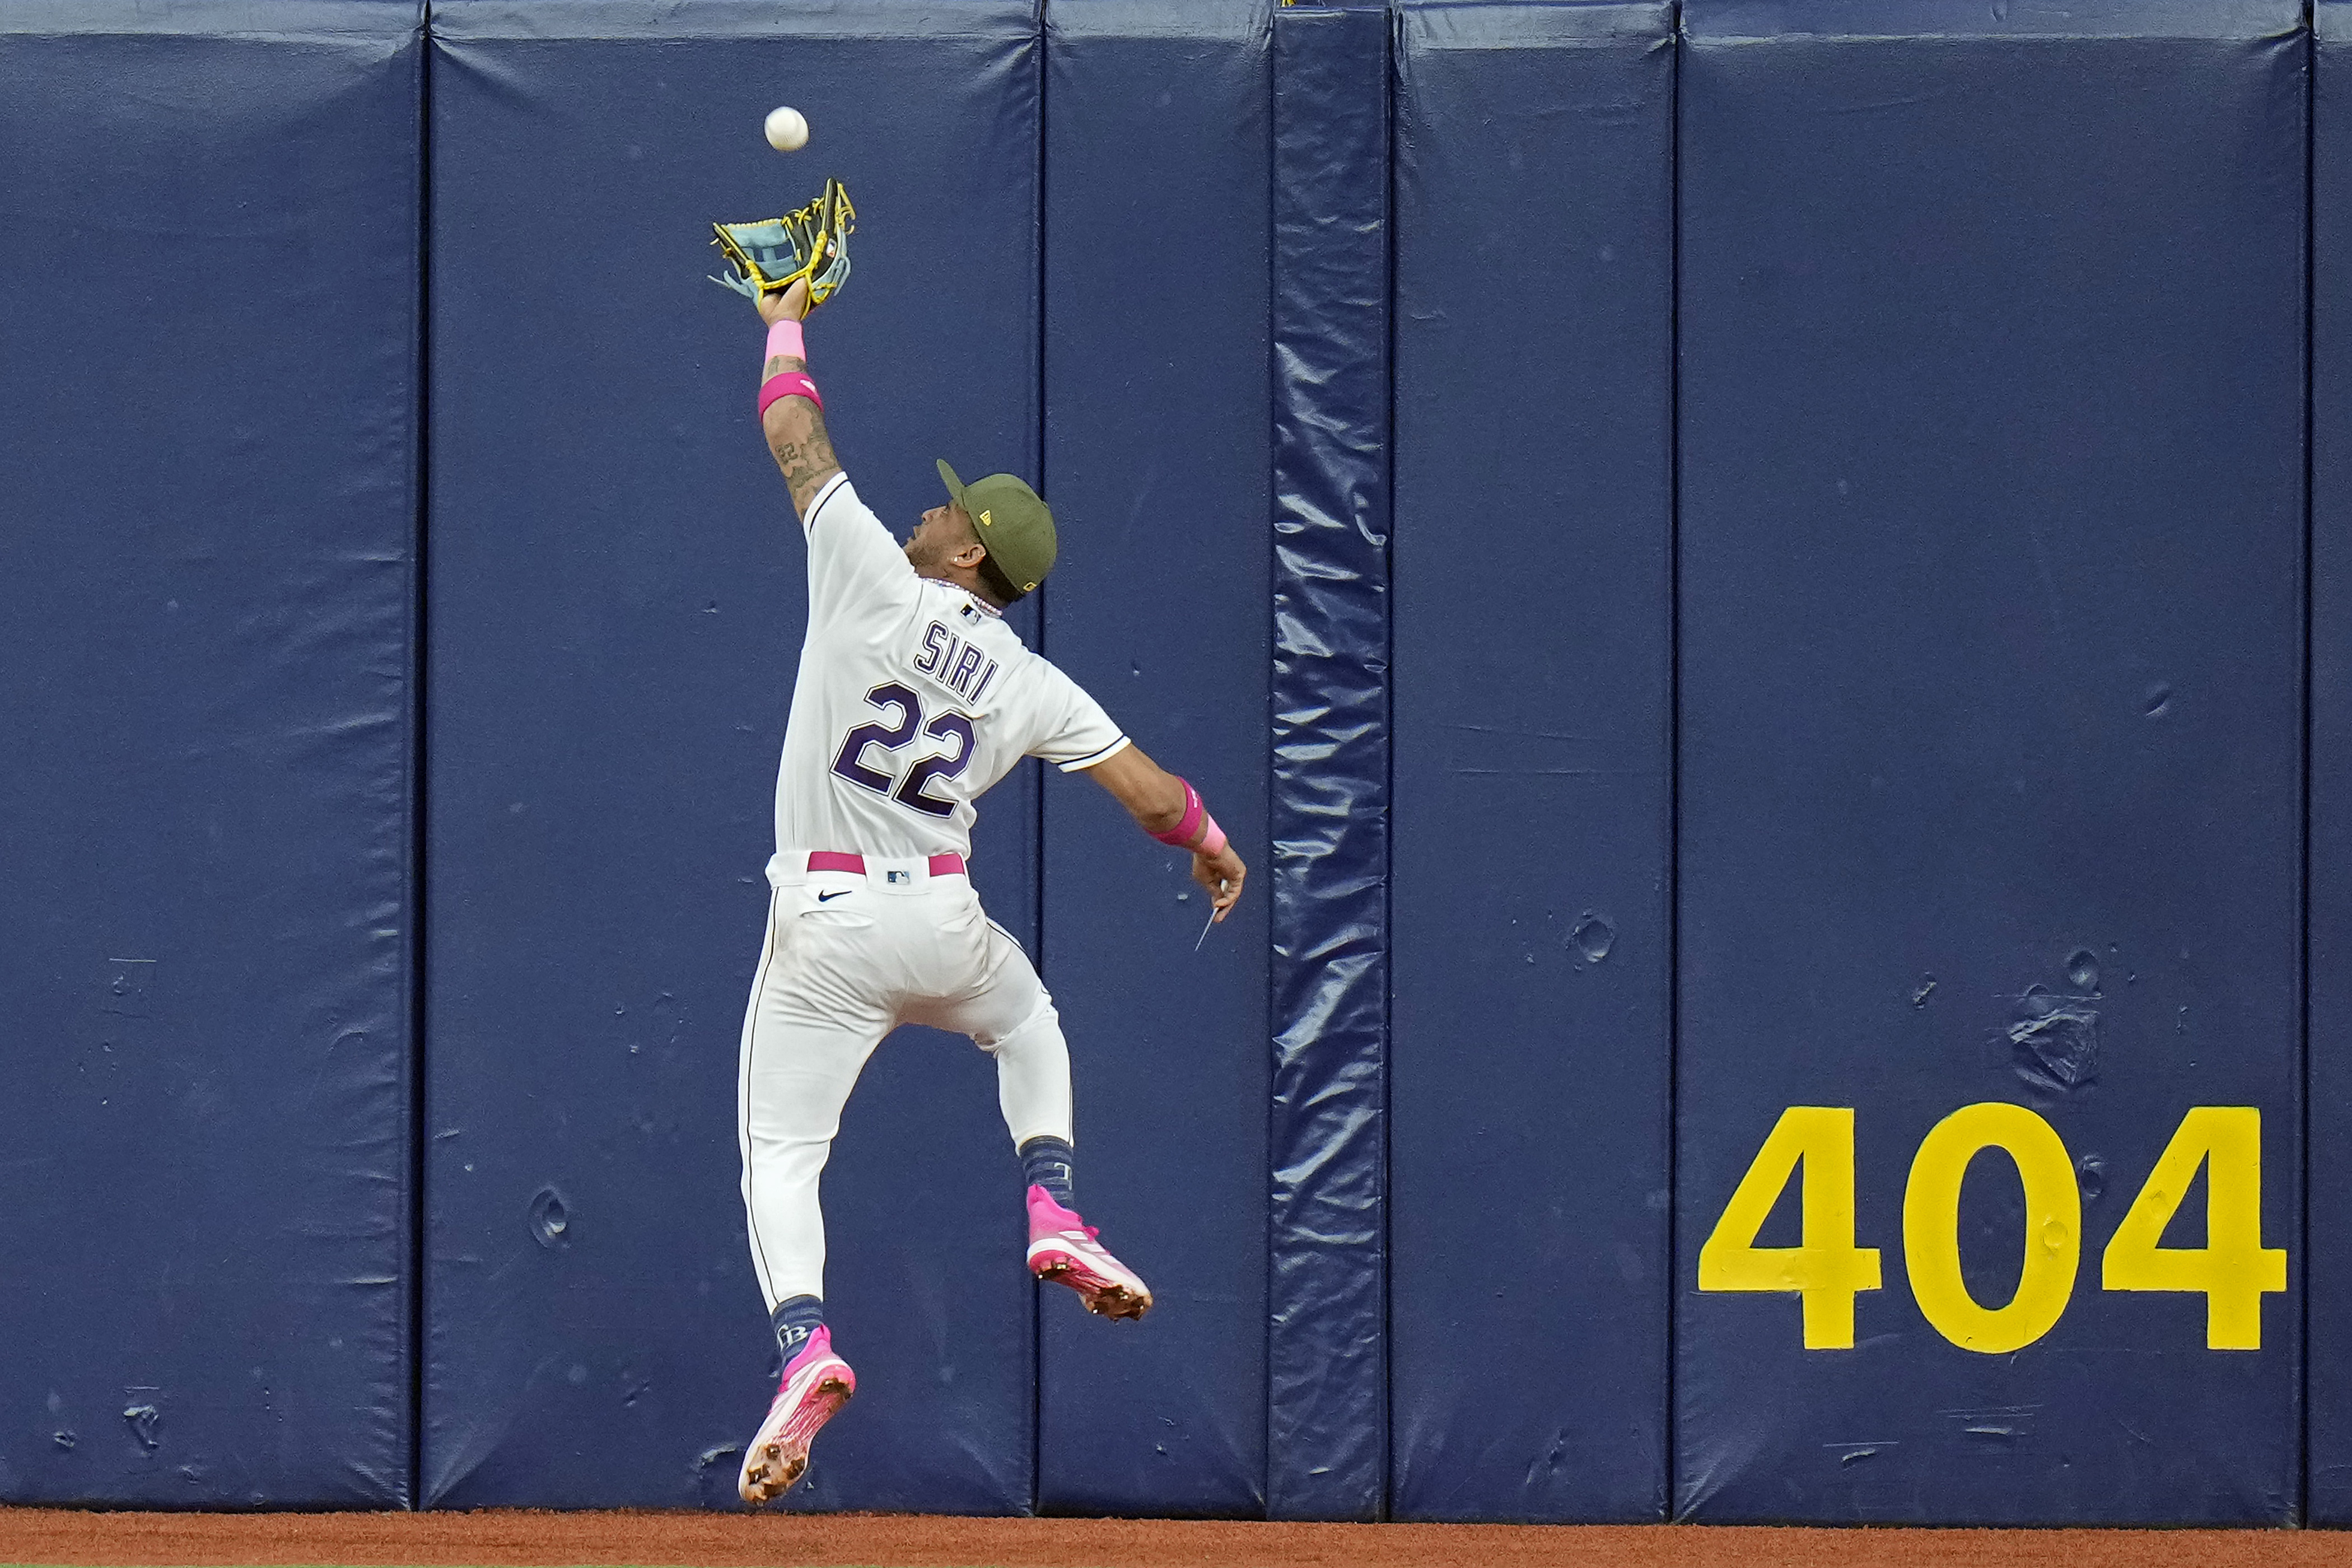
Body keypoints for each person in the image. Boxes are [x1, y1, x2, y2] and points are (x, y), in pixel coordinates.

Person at [730, 276, 1248, 1505]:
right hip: (943, 920)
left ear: (967, 550)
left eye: (949, 507)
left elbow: (795, 433)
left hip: (828, 920)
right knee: (1028, 1020)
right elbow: (1147, 789)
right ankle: (1054, 1200)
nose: (929, 505)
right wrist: (1213, 839)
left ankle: (806, 1344)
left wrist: (782, 323)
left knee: (781, 1153)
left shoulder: (871, 574)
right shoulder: (1029, 681)